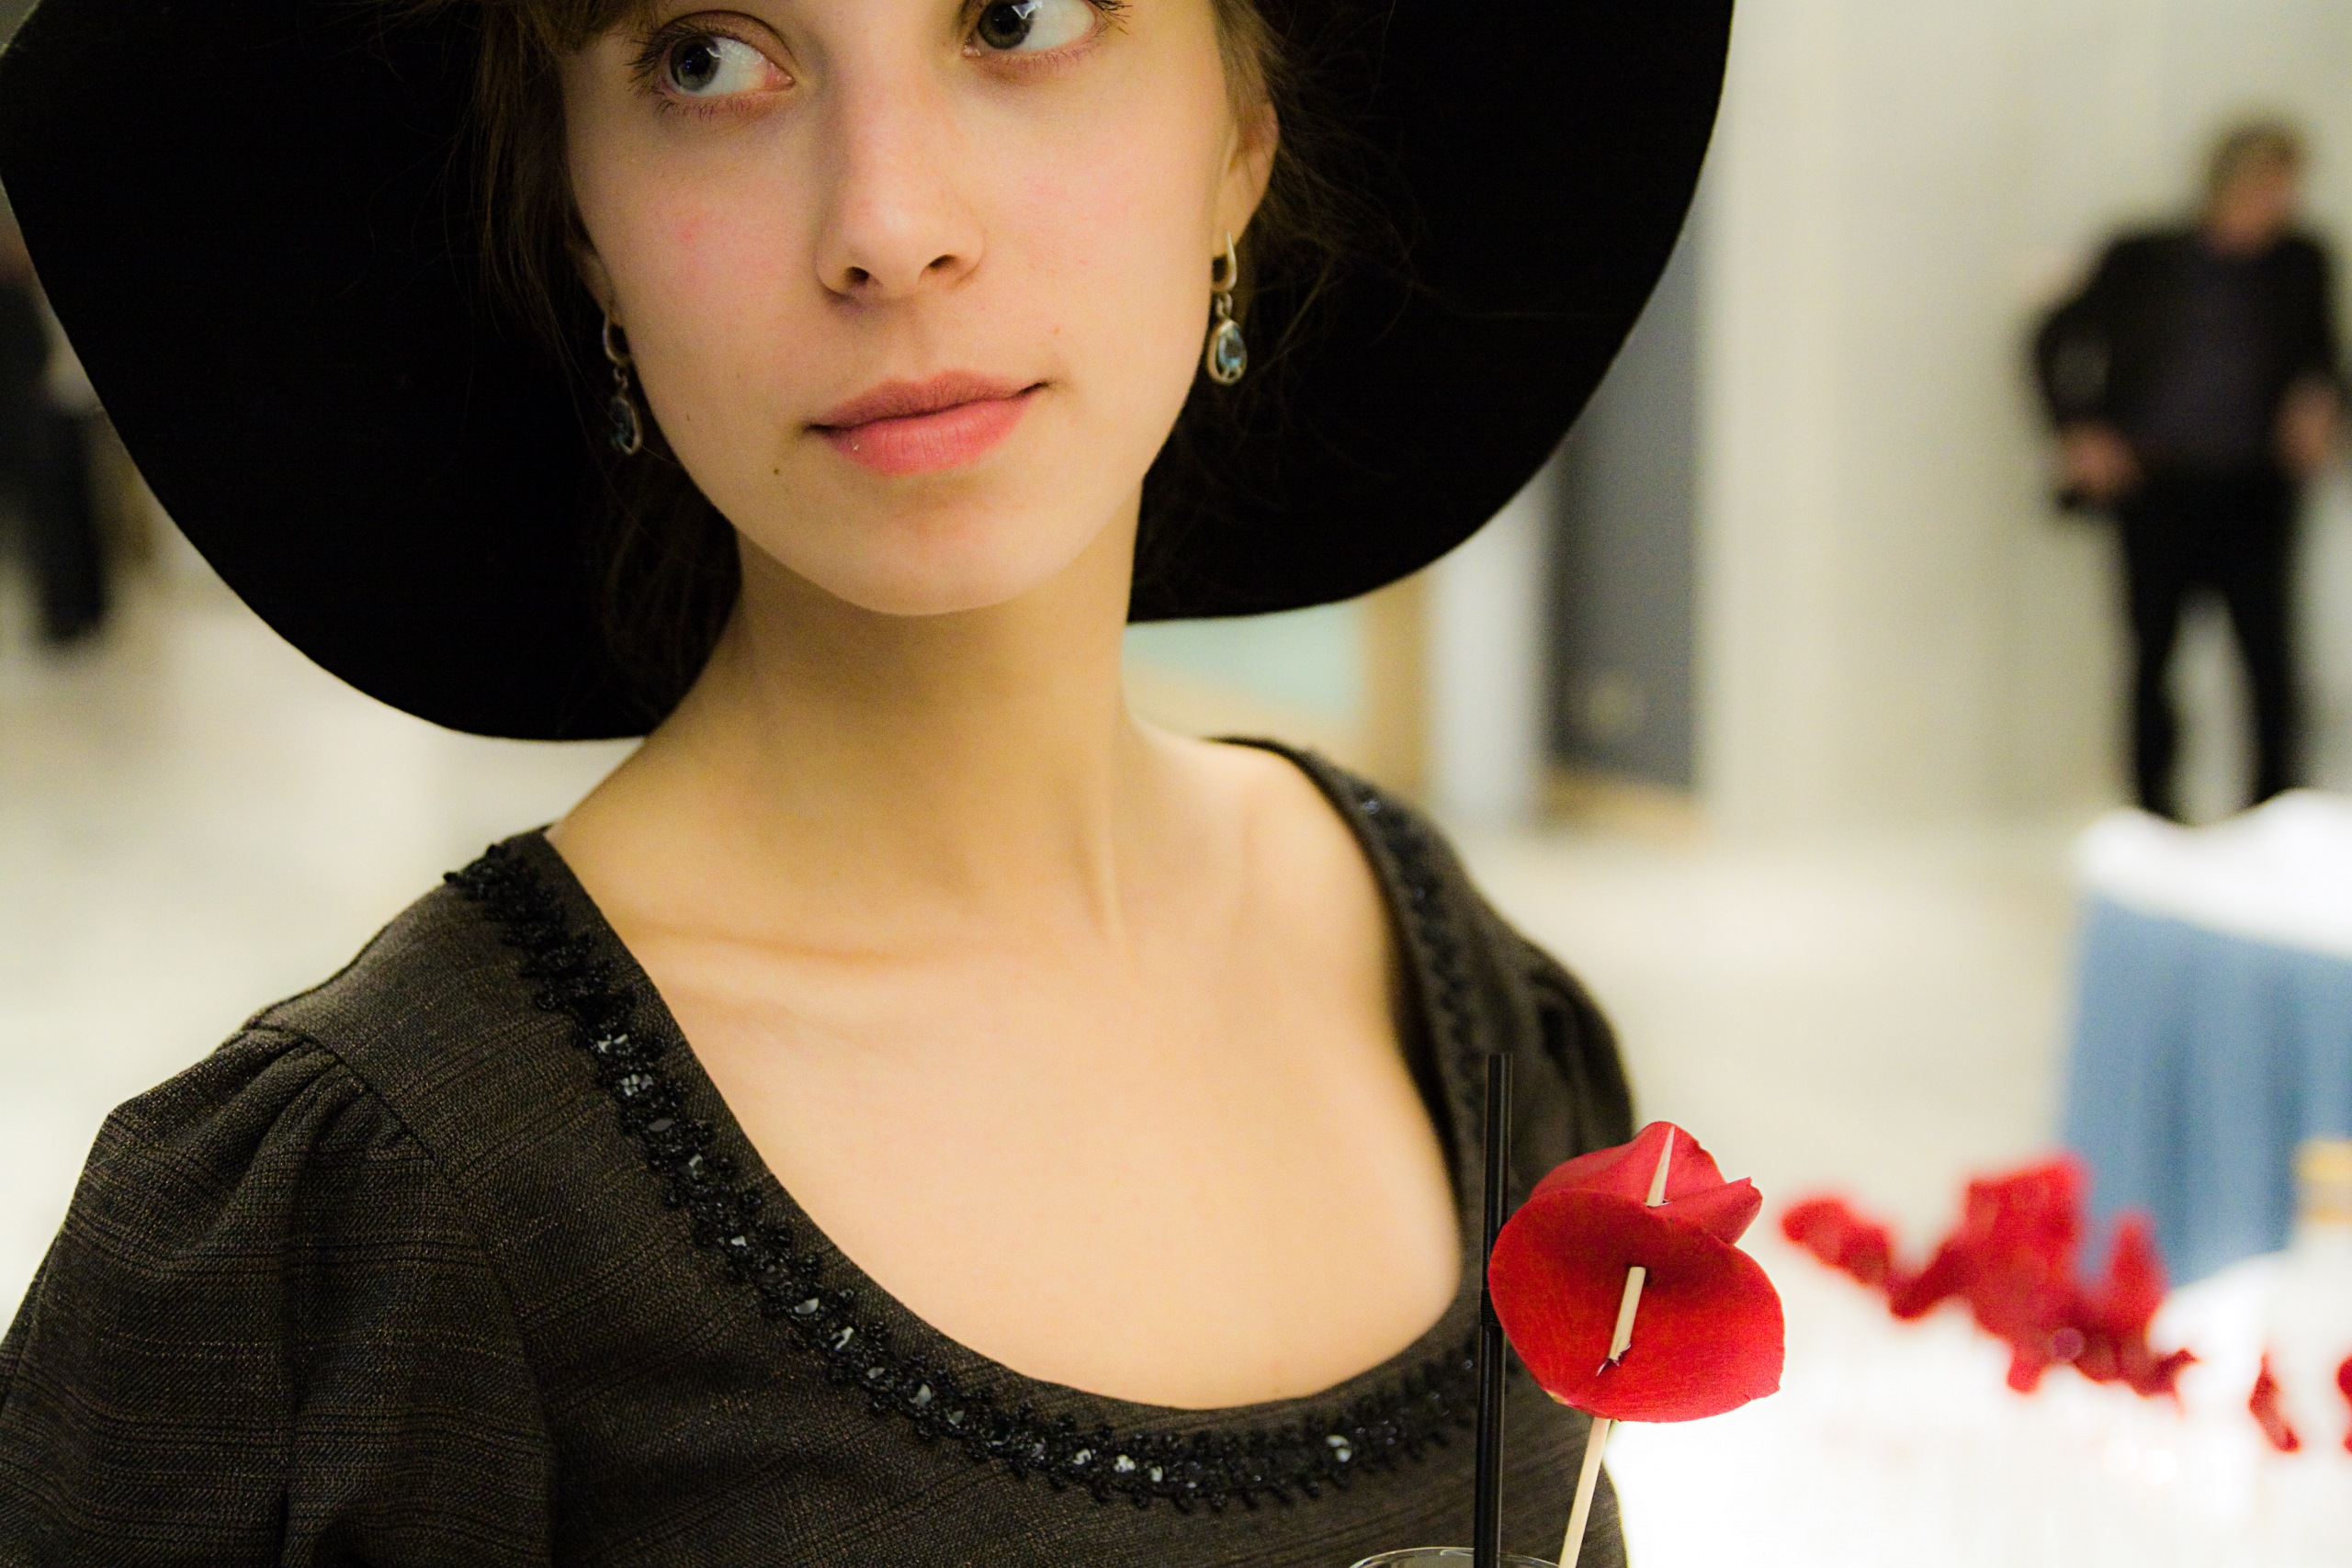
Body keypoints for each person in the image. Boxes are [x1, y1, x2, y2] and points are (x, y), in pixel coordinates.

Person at [0, 0, 1728, 1562]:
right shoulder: (368, 1230)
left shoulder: (1453, 994)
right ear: (586, 231)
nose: (889, 227)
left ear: (1241, 147)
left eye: (1019, 18)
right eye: (707, 60)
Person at [2036, 118, 2343, 820]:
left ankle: (2274, 814)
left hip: (2253, 489)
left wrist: (2320, 405)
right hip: (2159, 487)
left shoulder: (2299, 264)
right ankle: (2154, 811)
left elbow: (2325, 358)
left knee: (2268, 658)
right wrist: (2079, 430)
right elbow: (2052, 334)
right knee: (2152, 653)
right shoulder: (2144, 256)